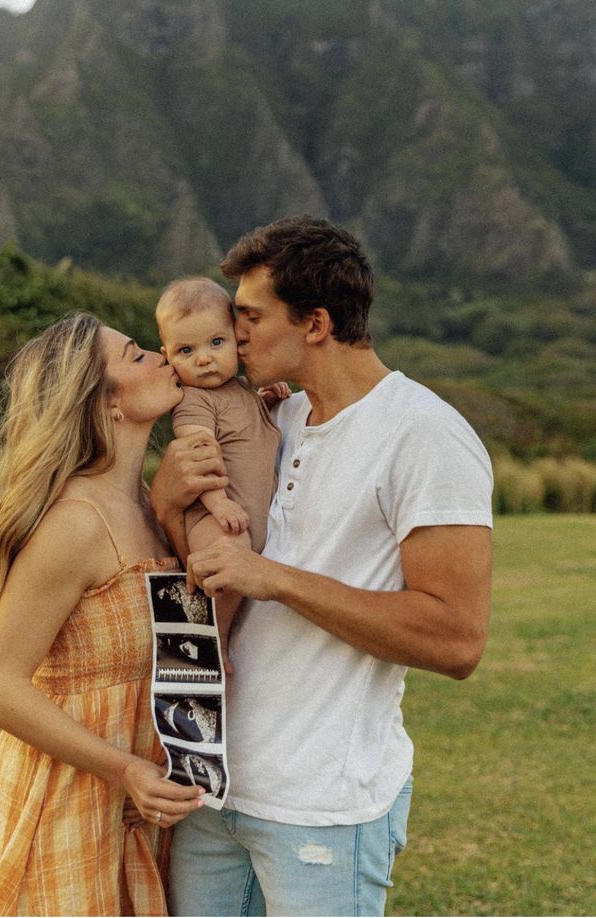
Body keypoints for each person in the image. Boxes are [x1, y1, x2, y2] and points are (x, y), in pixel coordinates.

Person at [149, 216, 494, 917]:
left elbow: (457, 640)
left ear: (315, 324)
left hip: (321, 810)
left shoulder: (426, 437)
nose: (232, 333)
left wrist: (272, 578)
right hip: (209, 791)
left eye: (248, 317)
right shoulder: (275, 416)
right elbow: (204, 572)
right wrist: (166, 502)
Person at [0, 312, 212, 916]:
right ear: (106, 404)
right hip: (68, 799)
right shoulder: (74, 523)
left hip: (136, 805)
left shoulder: (148, 506)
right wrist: (125, 768)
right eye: (136, 356)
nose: (161, 355)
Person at [155, 276, 288, 667]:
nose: (204, 358)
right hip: (213, 516)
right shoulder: (193, 402)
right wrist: (218, 505)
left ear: (235, 338)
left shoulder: (243, 390)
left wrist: (264, 400)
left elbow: (245, 432)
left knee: (238, 567)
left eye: (216, 343)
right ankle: (218, 640)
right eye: (186, 350)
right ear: (168, 357)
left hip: (247, 517)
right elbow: (201, 457)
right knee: (228, 563)